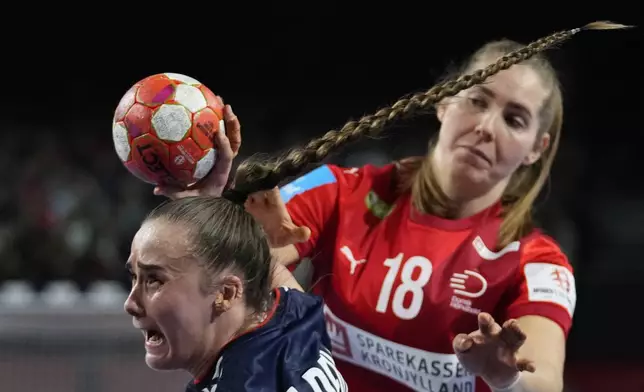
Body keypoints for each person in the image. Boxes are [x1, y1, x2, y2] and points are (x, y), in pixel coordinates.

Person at [155, 22, 630, 392]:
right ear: (444, 103)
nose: (487, 127)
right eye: (477, 100)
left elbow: (543, 379)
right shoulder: (343, 191)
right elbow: (233, 276)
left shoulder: (538, 263)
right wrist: (213, 209)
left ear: (535, 148)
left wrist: (504, 377)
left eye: (514, 119)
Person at [124, 120, 348, 391]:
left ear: (227, 294)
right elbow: (250, 260)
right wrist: (211, 210)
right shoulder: (293, 317)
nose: (130, 303)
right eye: (135, 277)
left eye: (154, 280)